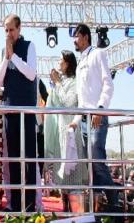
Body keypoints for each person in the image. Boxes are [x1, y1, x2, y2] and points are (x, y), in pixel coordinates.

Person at [0, 14, 37, 212]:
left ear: (19, 29)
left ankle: (29, 207)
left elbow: (31, 73)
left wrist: (15, 57)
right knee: (12, 161)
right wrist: (6, 59)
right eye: (6, 30)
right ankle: (15, 205)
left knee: (27, 160)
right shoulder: (5, 51)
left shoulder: (30, 46)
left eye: (11, 29)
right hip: (10, 111)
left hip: (26, 111)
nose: (9, 33)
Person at [72, 23, 118, 211]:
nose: (74, 41)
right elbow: (81, 99)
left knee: (97, 159)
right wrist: (75, 121)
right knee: (88, 165)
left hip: (97, 116)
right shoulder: (79, 63)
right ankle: (98, 205)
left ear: (84, 37)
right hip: (83, 119)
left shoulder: (98, 54)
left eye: (75, 37)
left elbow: (108, 83)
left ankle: (114, 199)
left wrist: (100, 109)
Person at [44, 50, 88, 211]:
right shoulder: (62, 82)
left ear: (67, 63)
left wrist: (57, 83)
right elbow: (53, 105)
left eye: (60, 61)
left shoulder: (75, 81)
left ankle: (76, 216)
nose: (58, 64)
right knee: (62, 181)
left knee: (73, 181)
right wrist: (56, 85)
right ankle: (65, 215)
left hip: (71, 134)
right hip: (58, 136)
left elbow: (69, 103)